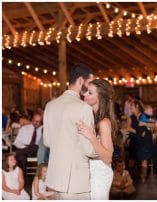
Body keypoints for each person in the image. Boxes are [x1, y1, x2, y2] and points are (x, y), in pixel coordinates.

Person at [43, 63, 97, 200]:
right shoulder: (84, 108)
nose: (91, 87)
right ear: (80, 81)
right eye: (89, 83)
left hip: (56, 176)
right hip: (76, 180)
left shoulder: (50, 105)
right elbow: (89, 149)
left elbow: (47, 141)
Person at [76, 79, 115, 199]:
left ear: (100, 97)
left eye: (90, 93)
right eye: (86, 91)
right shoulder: (92, 118)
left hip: (100, 172)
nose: (85, 94)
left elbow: (108, 157)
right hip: (89, 171)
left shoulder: (103, 122)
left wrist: (92, 137)